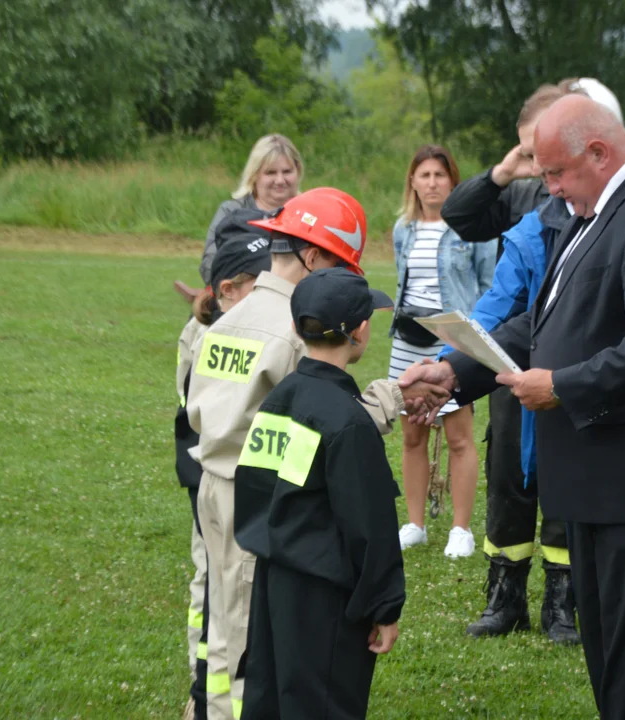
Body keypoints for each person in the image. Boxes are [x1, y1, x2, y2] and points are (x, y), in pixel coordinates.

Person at [402, 95, 625, 719]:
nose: (547, 188)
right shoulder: (590, 208)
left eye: (555, 173)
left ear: (598, 153)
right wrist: (453, 373)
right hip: (598, 481)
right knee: (611, 664)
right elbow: (543, 324)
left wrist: (564, 387)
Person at [187, 187, 449, 719]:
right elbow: (318, 429)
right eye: (343, 268)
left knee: (218, 618)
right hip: (268, 499)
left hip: (216, 488)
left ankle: (203, 705)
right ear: (312, 256)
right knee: (250, 644)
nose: (346, 284)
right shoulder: (288, 337)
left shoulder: (226, 319)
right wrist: (393, 396)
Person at [234, 268, 405, 719]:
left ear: (296, 327)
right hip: (327, 600)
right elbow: (369, 525)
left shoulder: (279, 399)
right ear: (361, 332)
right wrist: (384, 606)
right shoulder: (348, 423)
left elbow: (254, 488)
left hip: (274, 584)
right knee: (325, 704)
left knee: (271, 697)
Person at [176, 237, 272, 720]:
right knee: (219, 606)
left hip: (227, 487)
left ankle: (209, 702)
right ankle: (207, 702)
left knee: (227, 608)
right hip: (216, 488)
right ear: (228, 290)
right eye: (261, 285)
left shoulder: (237, 330)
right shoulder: (209, 337)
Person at [388, 145, 496, 558]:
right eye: (424, 175)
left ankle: (460, 529)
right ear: (412, 182)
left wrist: (469, 341)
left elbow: (488, 287)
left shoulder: (472, 229)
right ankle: (414, 523)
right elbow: (404, 284)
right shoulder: (403, 229)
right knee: (412, 433)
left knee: (459, 437)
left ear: (453, 180)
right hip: (408, 339)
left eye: (439, 175)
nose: (432, 183)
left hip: (452, 339)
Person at [174, 134, 302, 302]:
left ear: (298, 172)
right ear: (254, 175)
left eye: (287, 171)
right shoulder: (231, 212)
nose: (280, 180)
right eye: (270, 173)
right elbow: (210, 266)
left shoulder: (308, 213)